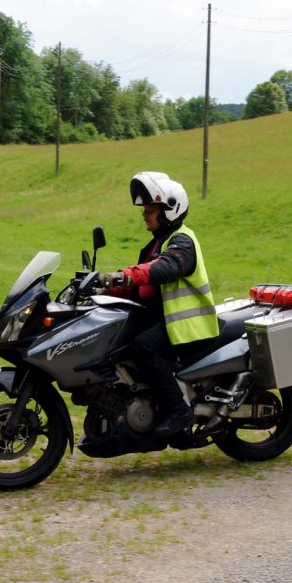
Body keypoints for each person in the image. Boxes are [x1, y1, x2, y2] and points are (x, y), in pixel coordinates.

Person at [100, 171, 219, 436]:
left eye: (150, 208)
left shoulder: (182, 241)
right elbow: (141, 288)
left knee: (144, 345)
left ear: (170, 209)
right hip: (164, 319)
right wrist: (106, 287)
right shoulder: (156, 244)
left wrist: (125, 275)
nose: (144, 214)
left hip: (187, 324)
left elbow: (163, 269)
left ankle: (180, 411)